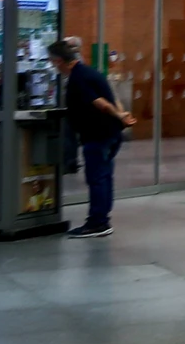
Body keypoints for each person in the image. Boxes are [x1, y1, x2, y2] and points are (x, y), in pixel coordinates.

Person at [47, 37, 136, 239]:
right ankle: (102, 219)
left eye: (52, 61)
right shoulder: (89, 72)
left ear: (59, 61)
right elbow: (114, 98)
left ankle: (98, 223)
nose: (52, 65)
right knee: (104, 177)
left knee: (96, 178)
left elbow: (101, 103)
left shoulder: (78, 78)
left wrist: (118, 115)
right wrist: (121, 115)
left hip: (98, 135)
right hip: (110, 133)